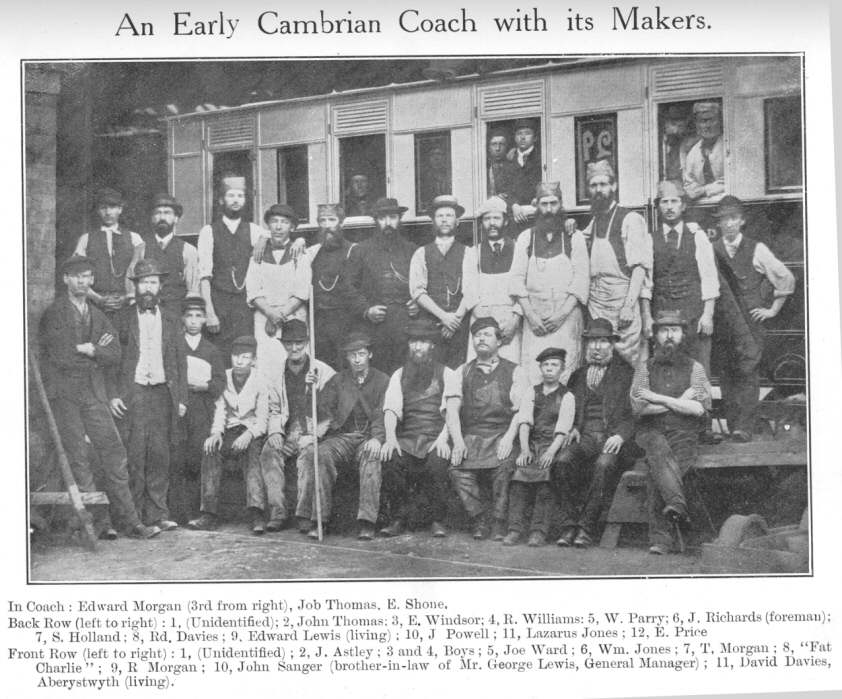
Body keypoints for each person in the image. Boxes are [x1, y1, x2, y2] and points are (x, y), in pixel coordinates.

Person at [38, 255, 160, 539]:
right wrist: (92, 353)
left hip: (94, 394)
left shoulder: (98, 315)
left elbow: (114, 353)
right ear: (66, 279)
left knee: (115, 453)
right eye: (76, 276)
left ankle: (130, 522)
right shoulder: (54, 313)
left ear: (93, 280)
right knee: (79, 458)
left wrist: (90, 349)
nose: (82, 281)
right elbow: (59, 356)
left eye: (87, 276)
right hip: (65, 396)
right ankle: (95, 524)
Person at [108, 259, 187, 533]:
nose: (148, 288)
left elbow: (180, 361)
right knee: (136, 453)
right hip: (136, 393)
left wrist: (182, 398)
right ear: (135, 286)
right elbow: (111, 362)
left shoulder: (171, 319)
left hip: (163, 393)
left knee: (159, 454)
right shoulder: (122, 319)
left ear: (160, 286)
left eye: (153, 282)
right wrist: (113, 395)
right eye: (143, 282)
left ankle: (158, 514)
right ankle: (135, 518)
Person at [712, 196, 795, 441]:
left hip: (751, 323)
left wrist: (772, 310)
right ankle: (732, 424)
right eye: (724, 219)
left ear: (742, 220)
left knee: (748, 372)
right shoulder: (711, 249)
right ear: (718, 223)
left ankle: (744, 428)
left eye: (733, 218)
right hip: (724, 323)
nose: (728, 224)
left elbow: (785, 277)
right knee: (727, 373)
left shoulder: (756, 248)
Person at [630, 310, 712, 555]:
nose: (669, 336)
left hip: (685, 434)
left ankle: (662, 539)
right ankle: (676, 506)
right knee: (657, 449)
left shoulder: (695, 368)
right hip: (650, 433)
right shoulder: (644, 368)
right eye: (664, 330)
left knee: (660, 469)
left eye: (674, 331)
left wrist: (657, 399)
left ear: (682, 336)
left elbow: (700, 408)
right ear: (655, 336)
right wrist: (678, 402)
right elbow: (638, 408)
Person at [295, 332, 389, 539]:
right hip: (342, 437)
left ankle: (367, 522)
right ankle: (321, 519)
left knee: (372, 457)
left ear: (369, 355)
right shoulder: (338, 380)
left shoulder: (382, 380)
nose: (356, 359)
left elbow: (383, 412)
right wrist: (310, 388)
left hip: (367, 437)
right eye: (352, 355)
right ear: (346, 358)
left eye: (361, 354)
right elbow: (320, 409)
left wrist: (377, 438)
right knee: (318, 454)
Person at [446, 317, 531, 541]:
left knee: (504, 468)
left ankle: (499, 521)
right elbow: (452, 411)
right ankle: (478, 519)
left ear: (499, 341)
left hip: (502, 434)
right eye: (477, 335)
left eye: (487, 334)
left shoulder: (515, 371)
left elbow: (521, 411)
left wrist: (508, 438)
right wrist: (458, 442)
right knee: (457, 470)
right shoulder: (461, 372)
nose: (481, 339)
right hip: (472, 436)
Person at [554, 318, 636, 548]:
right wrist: (572, 428)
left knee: (603, 465)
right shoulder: (577, 376)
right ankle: (569, 525)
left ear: (612, 345)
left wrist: (620, 435)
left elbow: (634, 414)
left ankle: (586, 527)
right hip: (586, 436)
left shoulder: (627, 374)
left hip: (613, 438)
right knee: (561, 462)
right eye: (592, 342)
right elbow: (568, 408)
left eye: (602, 342)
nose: (597, 348)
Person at [187, 336, 274, 534]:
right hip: (229, 430)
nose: (240, 361)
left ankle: (256, 512)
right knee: (210, 449)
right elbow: (220, 410)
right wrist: (216, 433)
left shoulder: (261, 380)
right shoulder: (224, 377)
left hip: (252, 432)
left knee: (253, 456)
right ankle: (208, 514)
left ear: (253, 360)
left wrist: (249, 434)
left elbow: (262, 420)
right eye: (236, 357)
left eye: (245, 357)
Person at [379, 320, 455, 539]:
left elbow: (451, 413)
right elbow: (391, 409)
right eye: (414, 342)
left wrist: (443, 439)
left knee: (437, 462)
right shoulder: (399, 375)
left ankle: (437, 519)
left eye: (423, 342)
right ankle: (398, 518)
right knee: (392, 459)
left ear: (432, 345)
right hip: (408, 436)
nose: (418, 347)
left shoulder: (446, 373)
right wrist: (391, 438)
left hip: (436, 436)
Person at [510, 182, 589, 384]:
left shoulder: (574, 237)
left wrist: (560, 316)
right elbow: (517, 280)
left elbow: (581, 280)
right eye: (544, 204)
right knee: (534, 376)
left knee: (566, 375)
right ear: (536, 206)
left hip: (567, 320)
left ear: (561, 204)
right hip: (535, 321)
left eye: (553, 203)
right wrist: (531, 316)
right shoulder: (525, 238)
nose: (548, 210)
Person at [261, 319, 336, 530]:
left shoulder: (323, 372)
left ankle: (304, 515)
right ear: (283, 344)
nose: (294, 348)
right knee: (269, 452)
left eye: (299, 343)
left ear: (307, 342)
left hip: (312, 432)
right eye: (289, 343)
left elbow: (330, 414)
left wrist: (313, 435)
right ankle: (278, 513)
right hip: (286, 430)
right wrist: (275, 432)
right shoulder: (275, 372)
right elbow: (274, 408)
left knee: (308, 457)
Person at [582, 160, 653, 366]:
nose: (598, 190)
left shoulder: (630, 219)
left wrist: (629, 307)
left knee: (628, 363)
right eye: (593, 185)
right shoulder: (595, 221)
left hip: (622, 304)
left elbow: (639, 268)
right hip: (597, 304)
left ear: (614, 186)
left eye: (603, 184)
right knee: (599, 363)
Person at [649, 180, 719, 374]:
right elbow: (647, 282)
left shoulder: (697, 236)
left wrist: (708, 315)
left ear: (683, 205)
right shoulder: (650, 239)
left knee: (697, 367)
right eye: (664, 202)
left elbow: (709, 277)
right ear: (658, 207)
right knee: (667, 369)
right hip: (663, 315)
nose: (669, 207)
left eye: (674, 201)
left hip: (693, 315)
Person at [508, 347, 575, 547]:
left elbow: (563, 430)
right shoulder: (532, 391)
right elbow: (524, 422)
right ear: (540, 368)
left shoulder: (567, 396)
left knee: (546, 480)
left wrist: (551, 452)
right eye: (545, 365)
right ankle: (514, 529)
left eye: (554, 365)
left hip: (553, 445)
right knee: (519, 477)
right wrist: (525, 449)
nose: (549, 369)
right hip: (532, 443)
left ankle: (538, 531)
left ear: (562, 369)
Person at [169, 296, 225, 524]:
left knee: (196, 456)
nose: (193, 321)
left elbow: (220, 382)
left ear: (204, 319)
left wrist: (205, 386)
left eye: (198, 316)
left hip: (201, 407)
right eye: (189, 316)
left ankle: (196, 512)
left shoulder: (211, 350)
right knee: (177, 456)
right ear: (183, 319)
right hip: (178, 406)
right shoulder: (174, 345)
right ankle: (176, 513)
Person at [197, 175, 263, 361]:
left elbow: (278, 240)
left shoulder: (254, 230)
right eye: (231, 195)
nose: (236, 200)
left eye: (240, 196)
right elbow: (204, 277)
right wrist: (209, 313)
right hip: (219, 304)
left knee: (245, 354)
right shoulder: (209, 231)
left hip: (244, 307)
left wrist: (266, 238)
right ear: (221, 200)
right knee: (219, 356)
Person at [409, 195, 478, 368]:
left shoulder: (468, 252)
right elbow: (417, 291)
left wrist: (454, 320)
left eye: (449, 215)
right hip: (430, 326)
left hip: (460, 325)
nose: (445, 220)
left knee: (460, 371)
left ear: (457, 221)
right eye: (440, 216)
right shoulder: (421, 253)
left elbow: (472, 291)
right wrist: (443, 317)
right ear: (433, 221)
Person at [245, 203, 310, 373]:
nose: (279, 227)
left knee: (294, 364)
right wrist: (270, 313)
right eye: (274, 221)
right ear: (268, 225)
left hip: (293, 316)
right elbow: (253, 290)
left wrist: (279, 315)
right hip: (264, 318)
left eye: (284, 222)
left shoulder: (300, 253)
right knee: (266, 365)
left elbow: (302, 292)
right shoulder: (258, 253)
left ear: (292, 227)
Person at [357, 197, 419, 375]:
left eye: (392, 217)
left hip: (405, 322)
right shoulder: (362, 250)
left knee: (406, 372)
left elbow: (425, 285)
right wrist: (366, 310)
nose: (388, 223)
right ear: (375, 221)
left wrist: (418, 304)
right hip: (375, 326)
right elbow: (349, 288)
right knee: (379, 373)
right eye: (382, 218)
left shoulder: (412, 250)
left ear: (400, 219)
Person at [309, 203, 368, 368]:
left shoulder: (354, 251)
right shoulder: (313, 253)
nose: (327, 225)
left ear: (341, 223)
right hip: (320, 323)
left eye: (332, 220)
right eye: (322, 220)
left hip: (346, 322)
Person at [73, 187, 144, 320]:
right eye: (103, 208)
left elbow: (142, 275)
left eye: (112, 207)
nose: (108, 212)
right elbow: (76, 275)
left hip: (127, 305)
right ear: (98, 211)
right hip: (95, 304)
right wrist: (97, 298)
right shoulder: (86, 239)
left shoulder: (135, 239)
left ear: (120, 209)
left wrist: (127, 297)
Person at [468, 196, 522, 364]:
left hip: (509, 323)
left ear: (505, 221)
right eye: (487, 218)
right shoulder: (473, 253)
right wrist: (487, 325)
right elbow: (469, 292)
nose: (491, 223)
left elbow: (524, 287)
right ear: (481, 223)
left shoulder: (519, 249)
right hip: (481, 321)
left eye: (496, 218)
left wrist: (515, 321)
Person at [140, 193, 200, 310]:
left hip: (176, 312)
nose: (162, 217)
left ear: (176, 218)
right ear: (151, 218)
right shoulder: (141, 248)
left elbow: (192, 290)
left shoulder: (188, 250)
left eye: (167, 213)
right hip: (148, 310)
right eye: (158, 213)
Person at [683, 101, 725, 201]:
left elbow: (734, 180)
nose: (707, 125)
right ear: (697, 125)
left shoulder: (730, 146)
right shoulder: (693, 153)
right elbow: (688, 183)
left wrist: (704, 190)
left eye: (711, 120)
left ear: (720, 121)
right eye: (702, 121)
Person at [506, 119, 542, 225]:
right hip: (514, 213)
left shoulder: (542, 157)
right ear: (514, 138)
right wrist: (513, 205)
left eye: (527, 133)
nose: (522, 137)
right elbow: (504, 188)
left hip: (536, 211)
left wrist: (539, 198)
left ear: (535, 138)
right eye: (519, 134)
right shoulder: (508, 160)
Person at [486, 127, 518, 200]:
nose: (497, 148)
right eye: (494, 144)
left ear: (506, 147)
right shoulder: (483, 168)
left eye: (501, 144)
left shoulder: (514, 167)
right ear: (488, 147)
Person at [418, 146, 451, 213]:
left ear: (444, 157)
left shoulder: (449, 174)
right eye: (432, 154)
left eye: (439, 154)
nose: (436, 158)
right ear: (428, 158)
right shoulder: (424, 177)